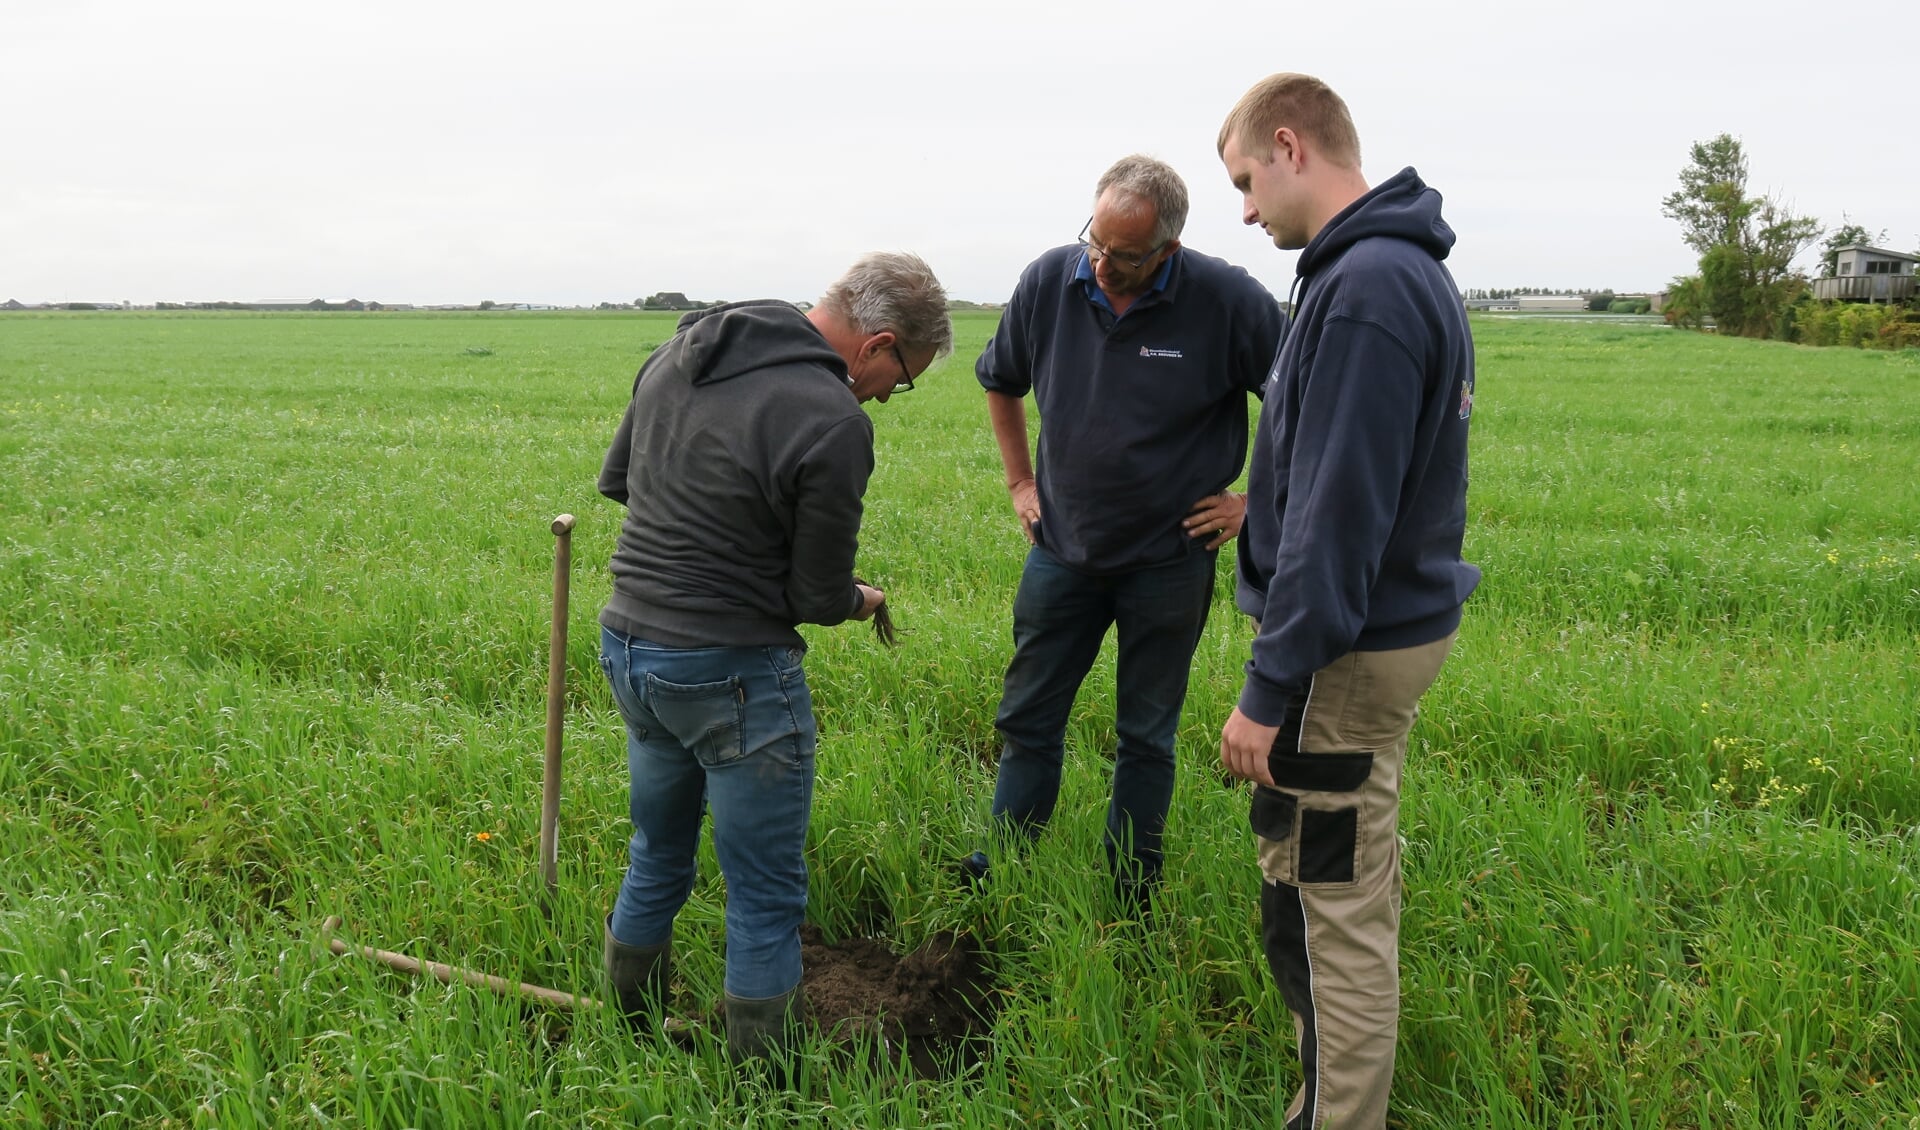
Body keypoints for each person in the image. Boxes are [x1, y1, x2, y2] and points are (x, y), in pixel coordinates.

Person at [595, 252, 951, 1065]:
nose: (886, 398)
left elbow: (625, 485)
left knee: (656, 850)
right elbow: (816, 596)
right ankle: (762, 1083)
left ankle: (623, 1032)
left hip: (632, 650)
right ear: (878, 343)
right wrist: (866, 598)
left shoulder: (682, 354)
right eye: (900, 381)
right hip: (733, 675)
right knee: (764, 896)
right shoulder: (832, 419)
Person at [1214, 74, 1480, 1128]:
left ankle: (1339, 1117)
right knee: (1323, 870)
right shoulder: (1380, 272)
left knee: (1332, 907)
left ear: (1290, 146)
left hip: (1341, 654)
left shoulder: (1368, 287)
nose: (1243, 209)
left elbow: (1340, 519)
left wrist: (1270, 686)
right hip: (1362, 638)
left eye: (1244, 180)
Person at [963, 154, 1286, 908]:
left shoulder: (1228, 300)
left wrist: (1252, 506)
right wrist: (1019, 482)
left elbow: (1304, 407)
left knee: (1146, 734)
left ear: (1168, 250)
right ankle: (1006, 866)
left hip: (1168, 561)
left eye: (1128, 256)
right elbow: (1000, 380)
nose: (1104, 266)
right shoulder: (1050, 281)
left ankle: (1130, 890)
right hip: (1062, 553)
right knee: (1029, 715)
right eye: (1096, 245)